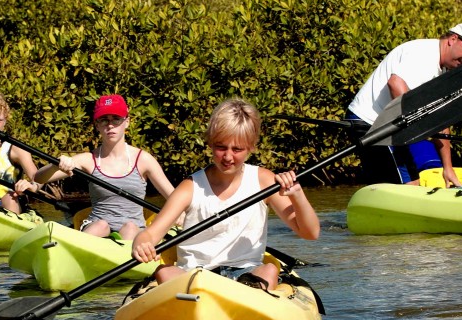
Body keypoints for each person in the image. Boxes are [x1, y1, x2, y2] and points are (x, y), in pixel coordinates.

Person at [131, 98, 320, 290]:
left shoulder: (264, 181)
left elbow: (310, 233)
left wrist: (297, 195)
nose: (228, 157)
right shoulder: (190, 187)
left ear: (251, 147)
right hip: (194, 274)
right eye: (221, 147)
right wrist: (141, 245)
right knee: (165, 271)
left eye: (237, 149)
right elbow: (149, 235)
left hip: (246, 272)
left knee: (269, 269)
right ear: (211, 143)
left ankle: (251, 291)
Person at [33, 94, 176, 239]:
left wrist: (181, 217)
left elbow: (174, 198)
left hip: (134, 230)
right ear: (97, 125)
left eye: (116, 119)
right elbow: (39, 178)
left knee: (130, 228)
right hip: (96, 226)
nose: (110, 125)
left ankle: (129, 254)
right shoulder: (88, 159)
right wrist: (56, 164)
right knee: (101, 226)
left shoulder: (144, 160)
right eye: (104, 120)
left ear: (127, 122)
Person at [347, 25, 462, 185]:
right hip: (370, 123)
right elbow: (395, 84)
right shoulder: (423, 53)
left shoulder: (443, 71)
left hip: (393, 128)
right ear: (453, 40)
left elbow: (441, 122)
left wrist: (448, 168)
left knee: (413, 183)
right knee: (401, 186)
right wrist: (423, 122)